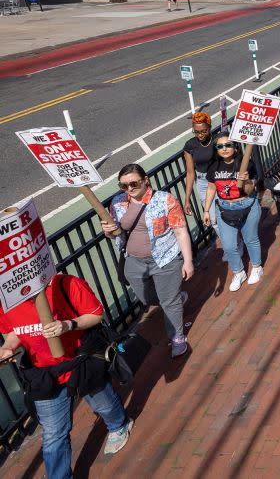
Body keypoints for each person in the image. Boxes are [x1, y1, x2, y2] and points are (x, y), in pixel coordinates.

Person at [0, 275, 134, 477]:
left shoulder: (66, 284)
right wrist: (8, 347)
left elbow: (95, 314)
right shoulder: (6, 302)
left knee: (102, 403)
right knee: (53, 434)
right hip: (44, 372)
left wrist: (68, 325)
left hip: (80, 360)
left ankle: (119, 424)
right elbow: (16, 331)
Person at [102, 164, 192, 357]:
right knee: (147, 298)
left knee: (169, 302)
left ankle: (177, 337)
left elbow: (180, 231)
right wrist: (108, 233)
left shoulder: (165, 200)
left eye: (134, 183)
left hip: (165, 258)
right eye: (123, 185)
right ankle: (176, 299)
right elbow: (116, 232)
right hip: (134, 261)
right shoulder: (117, 202)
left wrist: (188, 261)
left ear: (146, 180)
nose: (129, 189)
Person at [202, 134, 264, 292]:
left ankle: (257, 267)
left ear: (235, 147)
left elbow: (251, 190)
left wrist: (247, 181)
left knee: (251, 240)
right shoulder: (213, 167)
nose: (224, 149)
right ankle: (239, 272)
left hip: (247, 206)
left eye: (228, 145)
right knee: (229, 246)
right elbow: (211, 188)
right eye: (220, 146)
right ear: (216, 150)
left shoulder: (246, 164)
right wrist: (206, 210)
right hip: (224, 208)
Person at [182, 112, 215, 220]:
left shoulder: (217, 140)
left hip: (219, 178)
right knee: (212, 219)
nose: (200, 135)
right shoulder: (190, 145)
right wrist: (187, 199)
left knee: (227, 215)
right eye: (196, 132)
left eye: (203, 131)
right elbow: (190, 173)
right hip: (203, 183)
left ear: (209, 127)